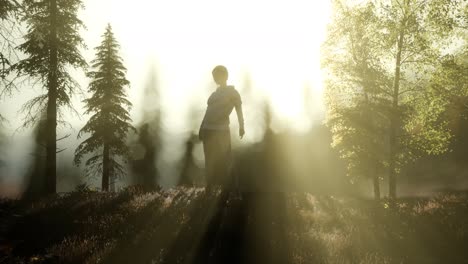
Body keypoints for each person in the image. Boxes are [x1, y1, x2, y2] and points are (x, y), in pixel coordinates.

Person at [199, 65, 245, 191]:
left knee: (226, 158)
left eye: (217, 76)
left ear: (225, 76)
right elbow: (208, 111)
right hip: (208, 129)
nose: (215, 79)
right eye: (214, 76)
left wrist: (242, 126)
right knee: (210, 158)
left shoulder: (233, 93)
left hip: (221, 130)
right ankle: (210, 186)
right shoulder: (214, 94)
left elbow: (239, 110)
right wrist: (202, 126)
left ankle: (230, 187)